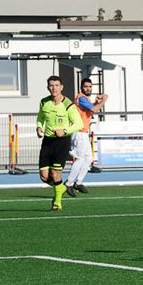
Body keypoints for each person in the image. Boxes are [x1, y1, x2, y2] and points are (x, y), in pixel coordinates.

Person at [36, 75, 83, 211]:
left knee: (56, 174)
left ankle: (57, 203)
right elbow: (40, 117)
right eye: (51, 85)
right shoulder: (44, 102)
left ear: (61, 87)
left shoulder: (68, 105)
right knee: (44, 177)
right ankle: (61, 187)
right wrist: (39, 127)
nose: (54, 88)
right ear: (48, 87)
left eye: (57, 85)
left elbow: (79, 124)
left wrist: (65, 130)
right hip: (47, 141)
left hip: (62, 142)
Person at [64, 77, 107, 197]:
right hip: (79, 132)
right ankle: (68, 183)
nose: (88, 88)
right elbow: (94, 109)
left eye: (90, 86)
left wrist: (97, 103)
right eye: (86, 86)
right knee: (80, 159)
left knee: (88, 159)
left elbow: (92, 108)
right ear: (81, 87)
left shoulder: (85, 99)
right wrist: (104, 101)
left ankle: (78, 182)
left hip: (83, 132)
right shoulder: (81, 98)